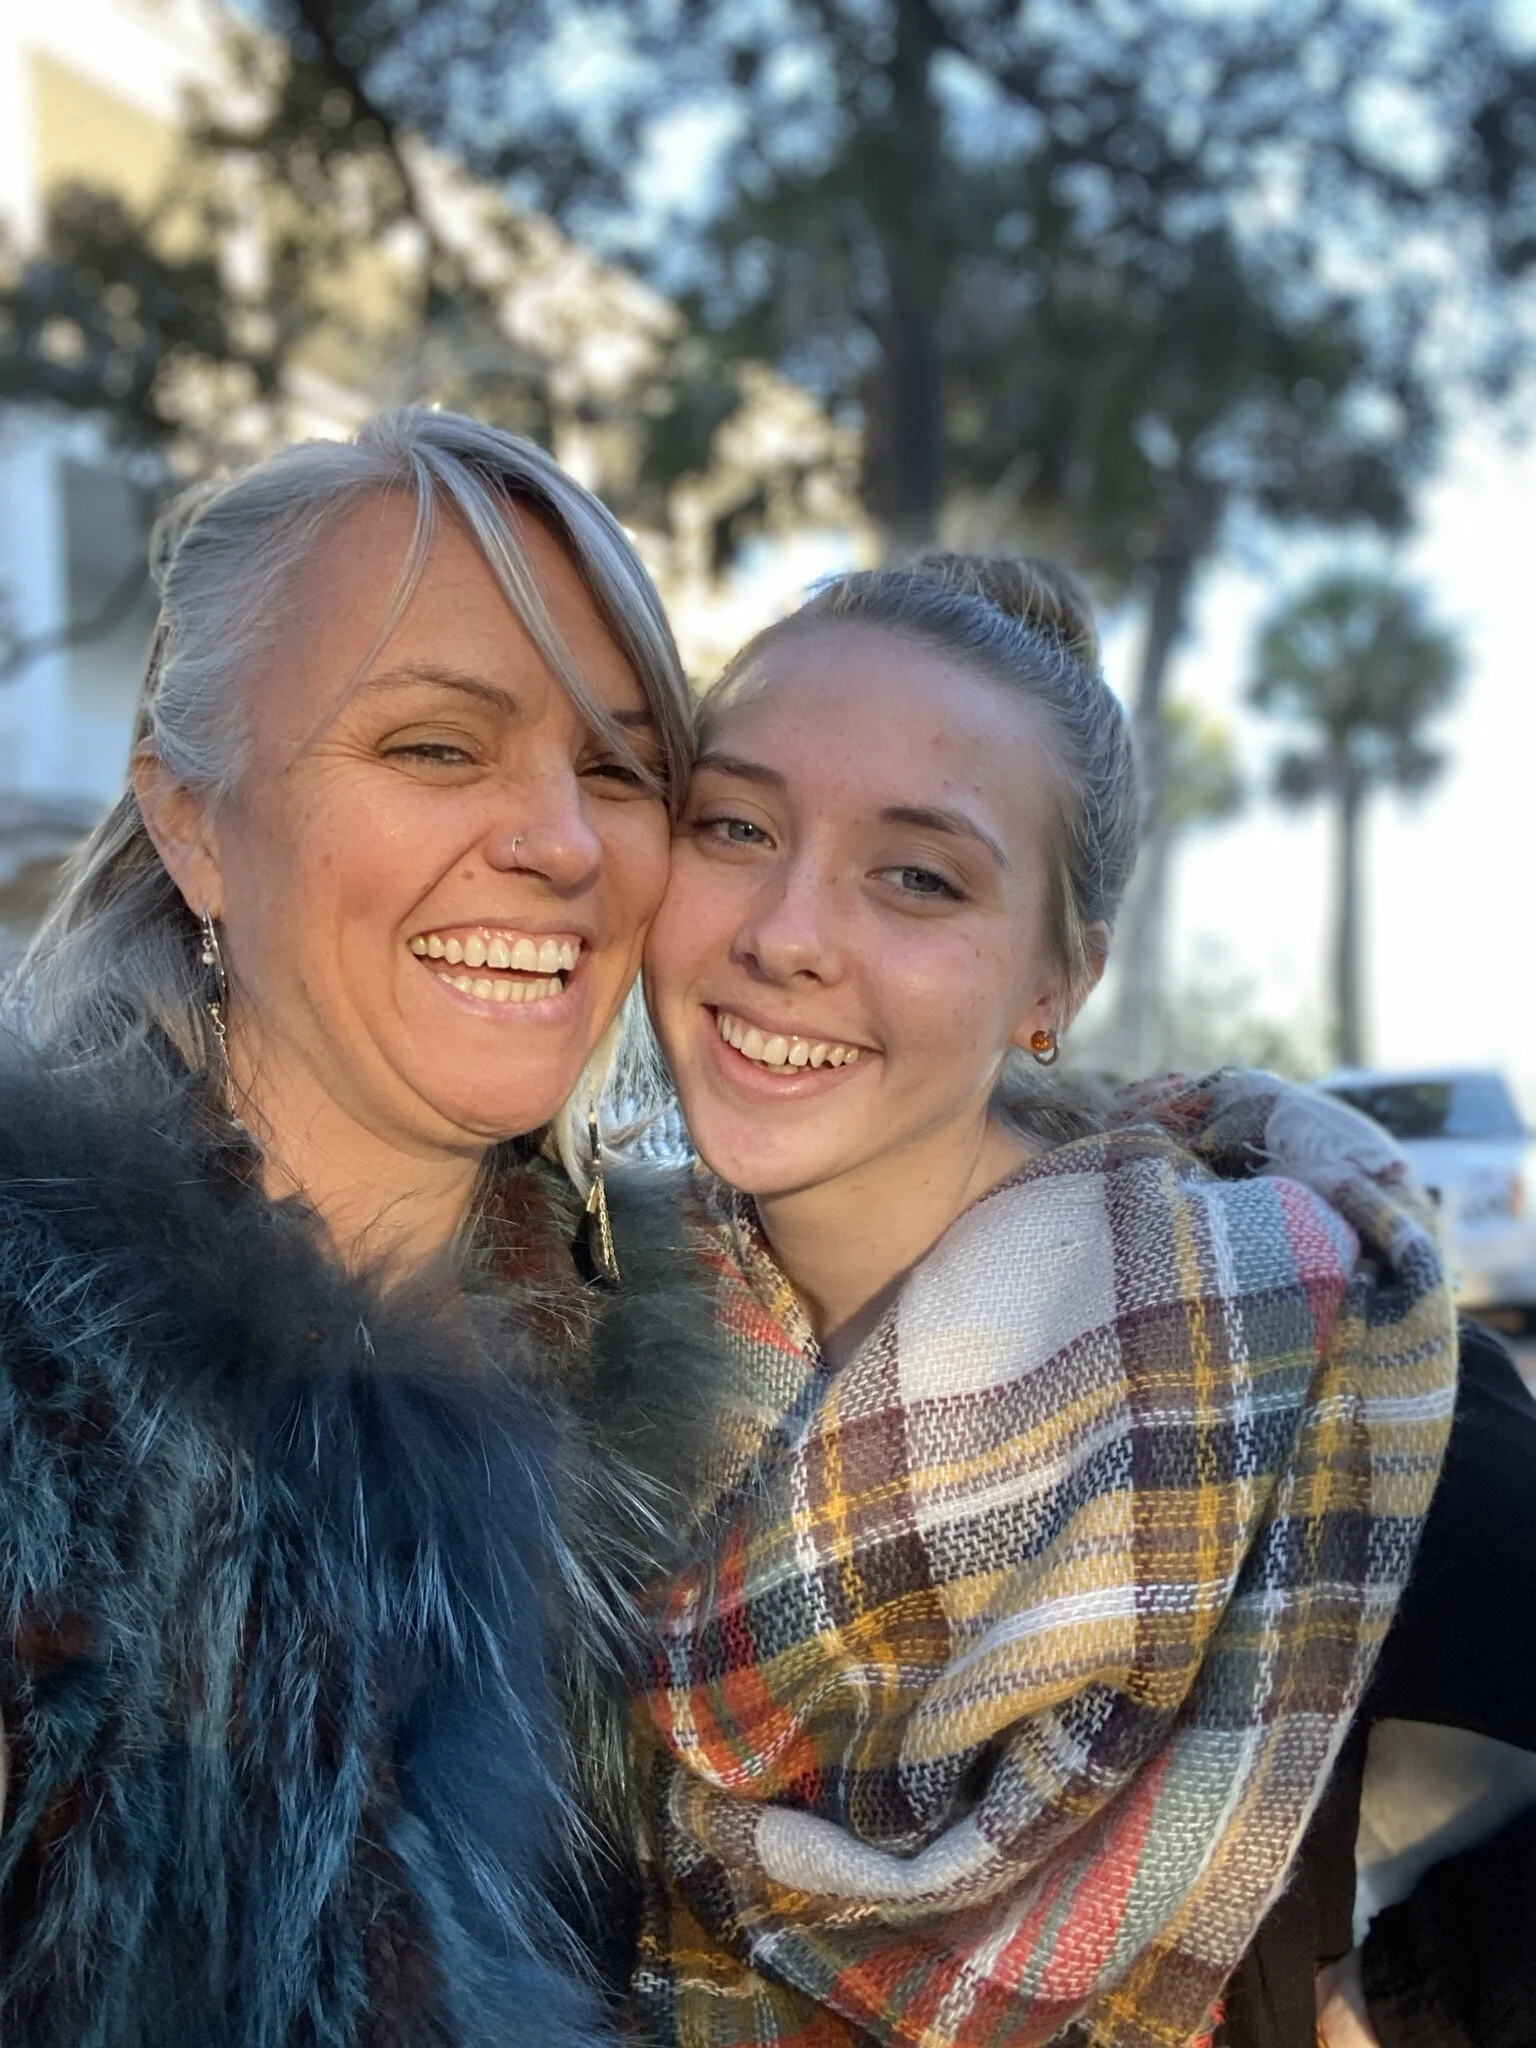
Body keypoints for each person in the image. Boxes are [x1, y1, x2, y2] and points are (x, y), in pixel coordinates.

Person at [629, 554, 1460, 2048]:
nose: (784, 932)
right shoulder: (567, 1325)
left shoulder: (1273, 1351)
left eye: (918, 876)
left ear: (1055, 982)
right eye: (737, 827)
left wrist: (1421, 2000)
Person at [0, 407, 720, 2046]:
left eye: (621, 769)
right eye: (436, 749)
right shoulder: (38, 1411)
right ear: (192, 822)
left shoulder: (726, 1351)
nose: (562, 843)